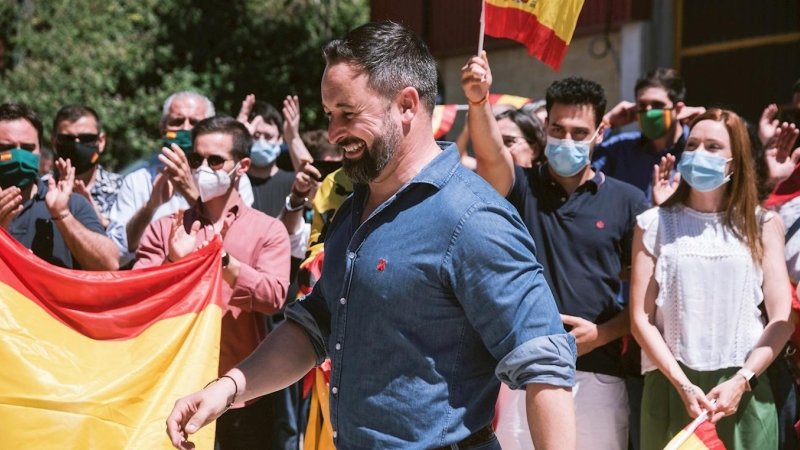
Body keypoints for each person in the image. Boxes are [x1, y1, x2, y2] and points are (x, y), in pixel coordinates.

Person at [167, 21, 577, 450]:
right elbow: (316, 324)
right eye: (329, 115)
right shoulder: (354, 209)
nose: (332, 133)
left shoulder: (473, 217)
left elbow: (543, 364)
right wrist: (228, 389)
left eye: (348, 113)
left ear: (406, 105)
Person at [462, 51, 649, 450]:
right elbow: (491, 155)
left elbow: (646, 297)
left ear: (600, 132)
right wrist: (478, 101)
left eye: (580, 132)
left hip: (599, 375)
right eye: (559, 129)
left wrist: (601, 334)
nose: (567, 140)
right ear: (545, 127)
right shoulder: (521, 186)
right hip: (522, 373)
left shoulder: (629, 201)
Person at [630, 108, 794, 449]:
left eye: (713, 146)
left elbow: (781, 318)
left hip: (742, 388)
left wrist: (742, 379)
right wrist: (683, 384)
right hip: (671, 386)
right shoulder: (652, 223)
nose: (698, 154)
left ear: (735, 162)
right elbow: (640, 319)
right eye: (692, 145)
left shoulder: (763, 224)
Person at [134, 115, 291, 449]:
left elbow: (274, 297)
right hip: (171, 387)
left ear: (242, 165)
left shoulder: (268, 230)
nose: (202, 167)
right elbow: (137, 298)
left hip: (242, 392)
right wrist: (175, 264)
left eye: (215, 160)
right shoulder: (166, 228)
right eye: (196, 159)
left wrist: (222, 260)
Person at [106, 91, 253, 268]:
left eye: (195, 123)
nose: (185, 128)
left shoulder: (232, 180)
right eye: (177, 121)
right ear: (163, 129)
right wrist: (149, 208)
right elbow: (118, 255)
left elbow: (242, 246)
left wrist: (190, 191)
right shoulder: (137, 181)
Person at [0, 102, 118, 270]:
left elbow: (109, 265)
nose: (19, 156)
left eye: (27, 148)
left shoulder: (72, 204)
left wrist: (63, 215)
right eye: (6, 148)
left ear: (40, 151)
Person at [593, 68, 705, 203]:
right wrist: (607, 123)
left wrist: (707, 129)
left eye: (658, 105)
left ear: (678, 109)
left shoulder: (699, 151)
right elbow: (578, 166)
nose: (649, 112)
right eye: (642, 105)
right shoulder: (621, 148)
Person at [51, 104, 122, 228]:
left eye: (86, 138)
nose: (77, 145)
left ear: (101, 141)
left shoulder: (123, 189)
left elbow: (130, 243)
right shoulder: (42, 190)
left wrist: (102, 224)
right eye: (67, 139)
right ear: (54, 143)